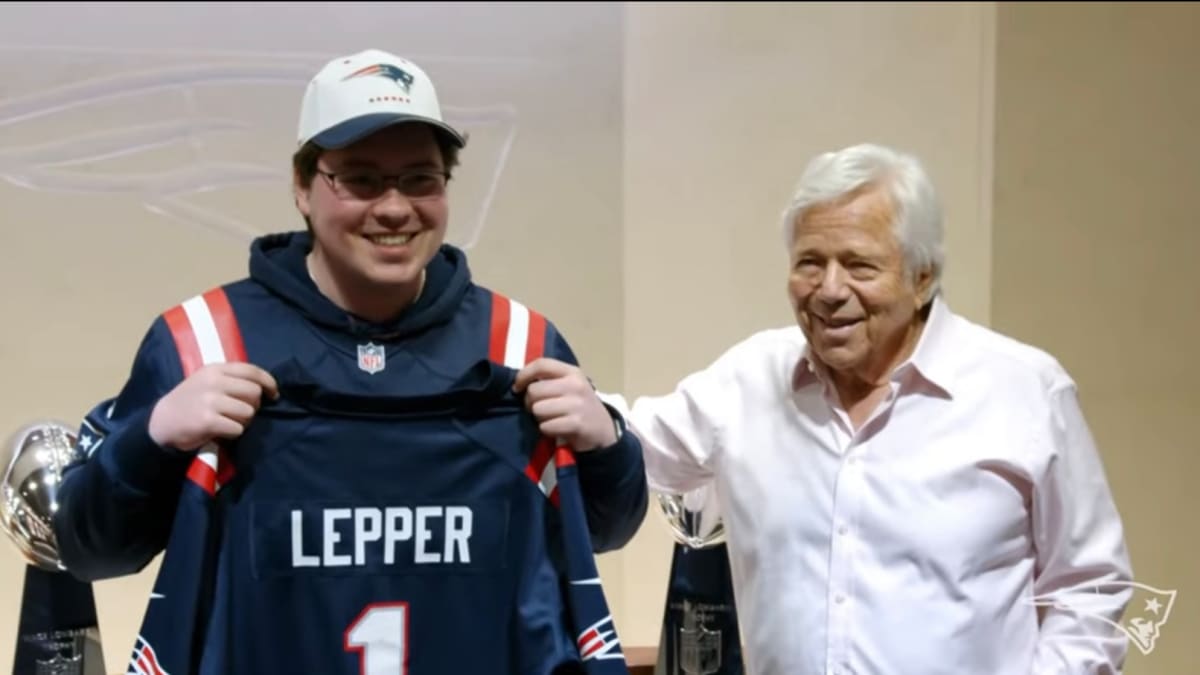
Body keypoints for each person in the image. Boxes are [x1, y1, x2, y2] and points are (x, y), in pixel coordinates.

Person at [52, 48, 644, 673]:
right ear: (303, 188)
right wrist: (152, 439)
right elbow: (91, 551)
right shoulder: (202, 340)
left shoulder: (519, 343)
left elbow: (605, 531)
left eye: (421, 178)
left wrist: (608, 444)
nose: (394, 208)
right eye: (360, 179)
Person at [517, 143, 1135, 674]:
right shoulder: (750, 381)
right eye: (810, 263)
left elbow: (1092, 587)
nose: (830, 290)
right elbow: (631, 444)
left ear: (923, 277)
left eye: (860, 265)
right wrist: (549, 395)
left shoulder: (1023, 389)